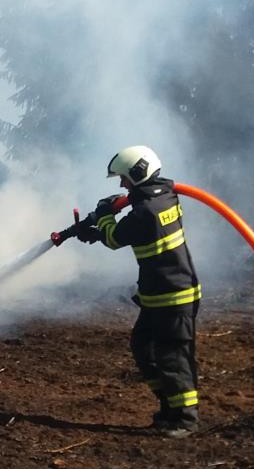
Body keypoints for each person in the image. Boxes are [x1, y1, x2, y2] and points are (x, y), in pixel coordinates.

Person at [69, 145, 201, 437]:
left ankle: (185, 419)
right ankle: (170, 408)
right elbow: (130, 228)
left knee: (172, 357)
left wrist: (104, 215)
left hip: (172, 297)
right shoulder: (165, 197)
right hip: (159, 294)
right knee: (144, 348)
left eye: (124, 178)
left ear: (139, 174)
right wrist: (98, 229)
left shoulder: (146, 212)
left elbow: (115, 238)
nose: (121, 184)